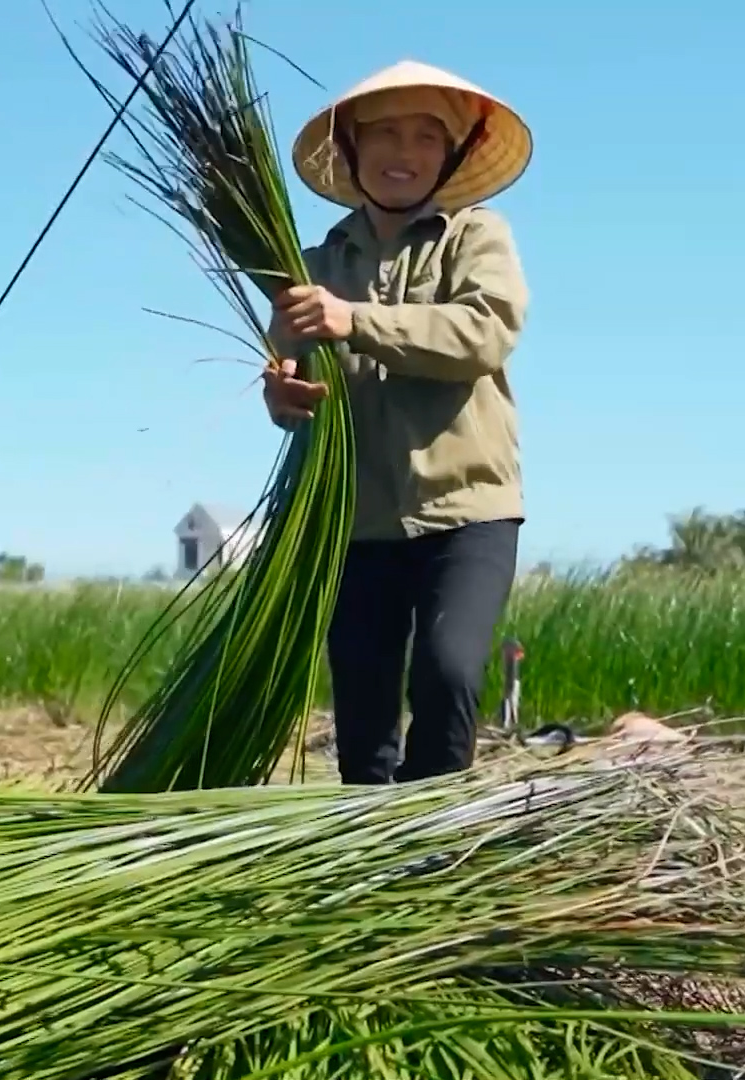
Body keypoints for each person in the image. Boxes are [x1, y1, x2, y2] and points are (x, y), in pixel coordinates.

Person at [263, 60, 533, 785]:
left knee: (447, 674)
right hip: (358, 521)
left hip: (468, 509)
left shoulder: (477, 238)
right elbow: (287, 374)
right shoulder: (312, 264)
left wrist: (356, 320)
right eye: (382, 134)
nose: (403, 153)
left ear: (454, 151)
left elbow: (483, 333)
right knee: (362, 704)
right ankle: (371, 853)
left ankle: (432, 841)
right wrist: (283, 397)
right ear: (350, 151)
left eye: (424, 135)